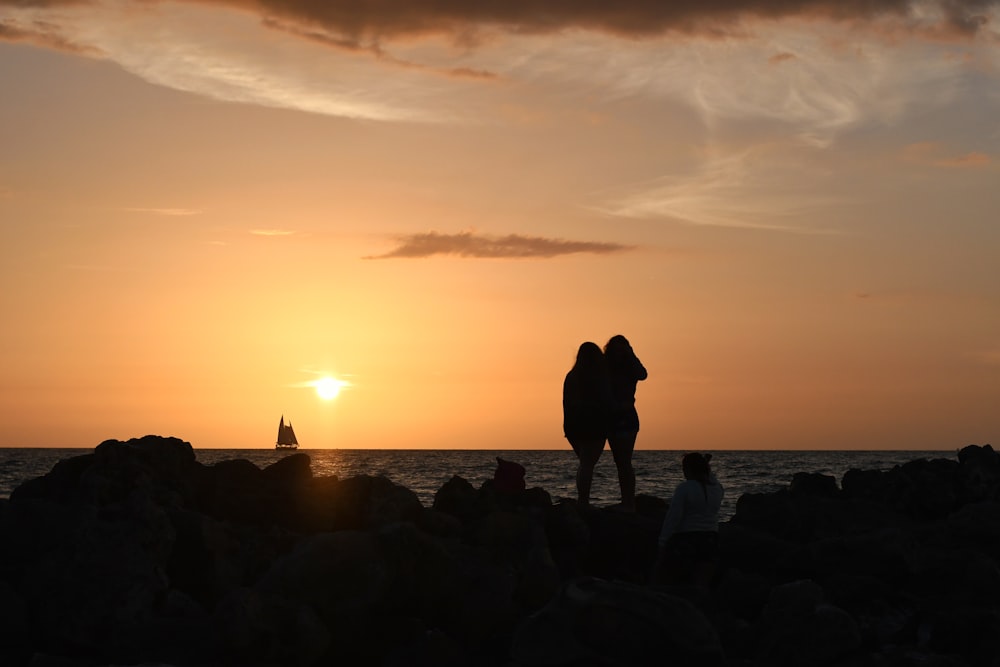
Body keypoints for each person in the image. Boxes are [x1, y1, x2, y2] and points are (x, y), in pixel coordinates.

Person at [653, 452, 724, 586]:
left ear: (688, 470)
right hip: (711, 539)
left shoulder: (684, 488)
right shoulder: (717, 489)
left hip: (687, 540)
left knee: (668, 580)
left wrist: (662, 542)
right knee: (701, 584)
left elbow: (673, 517)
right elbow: (712, 479)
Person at [562, 342, 612, 507]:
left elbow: (566, 403)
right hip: (594, 426)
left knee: (585, 463)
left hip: (574, 427)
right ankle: (583, 500)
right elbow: (605, 402)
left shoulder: (571, 376)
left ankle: (582, 499)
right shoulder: (599, 378)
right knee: (587, 464)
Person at [604, 335, 647, 512]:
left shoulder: (630, 367)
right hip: (613, 416)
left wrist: (631, 353)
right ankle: (627, 501)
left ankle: (628, 502)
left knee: (624, 462)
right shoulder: (606, 368)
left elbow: (643, 374)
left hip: (626, 416)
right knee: (621, 462)